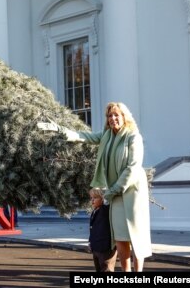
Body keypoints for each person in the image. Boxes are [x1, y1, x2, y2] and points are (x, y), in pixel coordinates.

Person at [38, 102, 152, 271]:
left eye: (116, 115)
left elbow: (133, 167)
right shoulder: (107, 135)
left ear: (124, 117)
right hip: (115, 193)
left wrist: (112, 190)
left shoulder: (133, 137)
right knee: (120, 237)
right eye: (109, 116)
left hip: (132, 192)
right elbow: (84, 136)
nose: (112, 119)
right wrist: (59, 129)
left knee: (136, 235)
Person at [88, 187, 117, 272]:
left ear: (102, 198)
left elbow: (108, 199)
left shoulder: (105, 210)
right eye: (91, 198)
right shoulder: (95, 211)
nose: (92, 200)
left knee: (106, 270)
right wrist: (90, 242)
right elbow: (92, 229)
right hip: (96, 247)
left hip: (105, 248)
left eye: (95, 198)